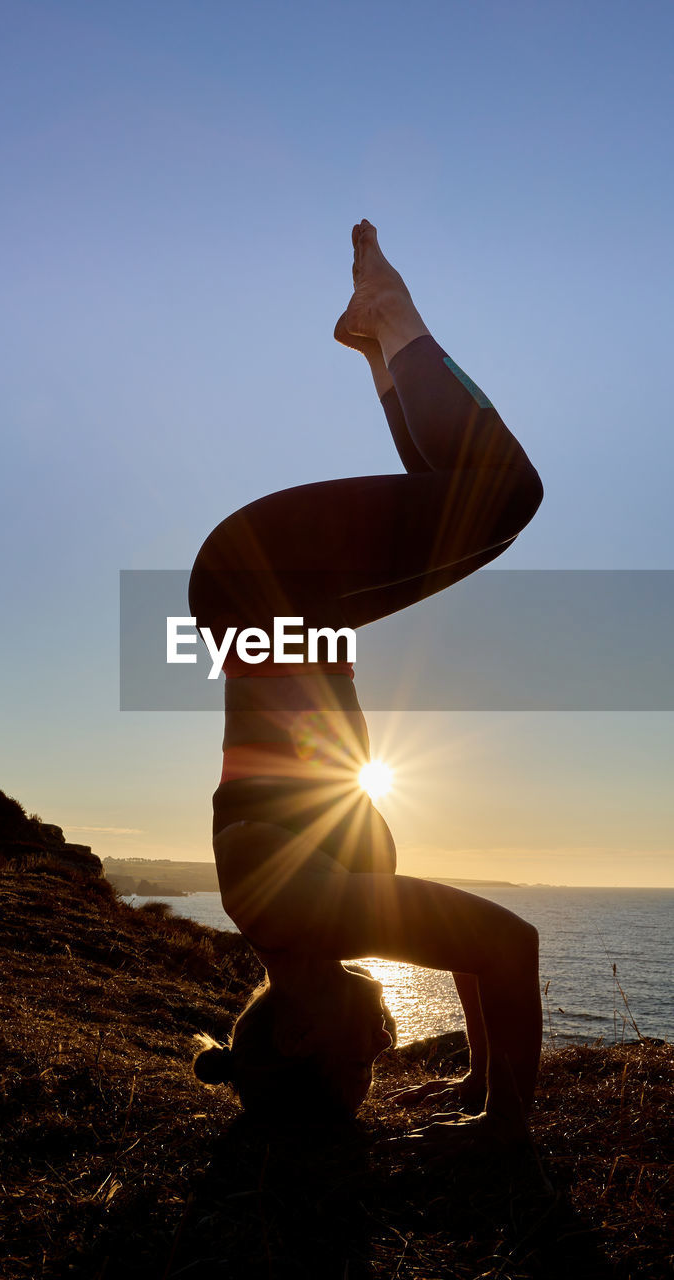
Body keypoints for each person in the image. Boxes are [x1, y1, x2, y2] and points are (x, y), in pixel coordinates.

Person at [188, 221, 544, 1145]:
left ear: (300, 1033)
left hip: (267, 584)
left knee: (505, 493)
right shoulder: (295, 923)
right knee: (474, 492)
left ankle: (390, 323)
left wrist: (502, 1127)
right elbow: (467, 944)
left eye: (358, 1061)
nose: (378, 1049)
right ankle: (379, 344)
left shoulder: (302, 914)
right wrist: (476, 1075)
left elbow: (510, 945)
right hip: (273, 597)